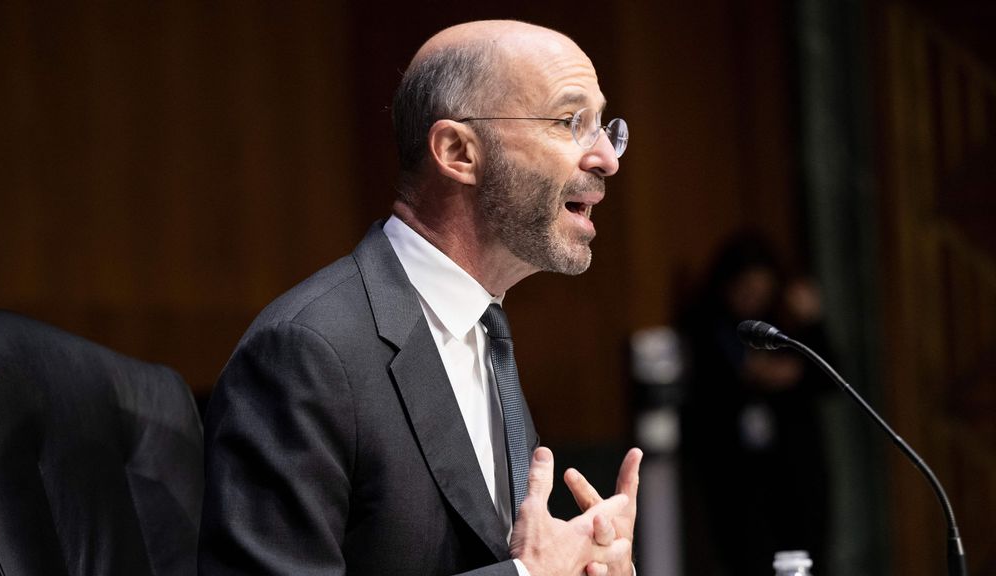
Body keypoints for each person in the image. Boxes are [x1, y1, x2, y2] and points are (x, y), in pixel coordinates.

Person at [199, 20, 643, 576]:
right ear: (458, 151)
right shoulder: (306, 353)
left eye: (605, 127)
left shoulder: (485, 328)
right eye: (570, 121)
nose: (607, 158)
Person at [678, 232, 833, 576]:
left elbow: (829, 381)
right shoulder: (706, 325)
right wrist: (746, 376)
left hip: (795, 468)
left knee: (807, 558)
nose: (752, 302)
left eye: (761, 292)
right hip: (735, 473)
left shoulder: (787, 326)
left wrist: (811, 322)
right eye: (744, 292)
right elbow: (699, 396)